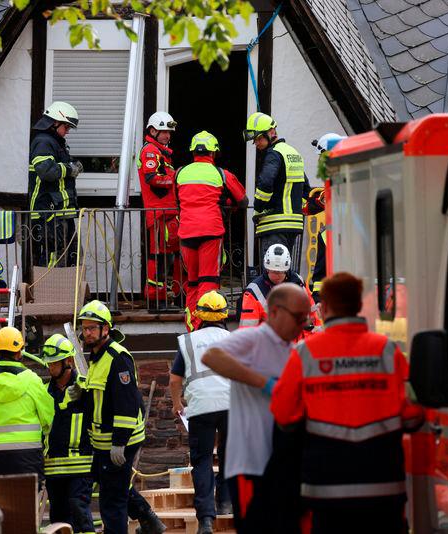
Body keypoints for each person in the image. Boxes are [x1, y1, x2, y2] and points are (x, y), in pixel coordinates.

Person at [270, 272, 422, 533]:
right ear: (358, 306)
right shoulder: (388, 351)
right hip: (383, 488)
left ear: (325, 307)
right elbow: (413, 415)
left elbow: (283, 414)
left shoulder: (305, 354)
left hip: (326, 490)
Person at [201, 284, 312, 534]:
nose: (301, 324)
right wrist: (265, 383)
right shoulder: (254, 339)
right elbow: (211, 357)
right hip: (250, 462)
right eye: (297, 317)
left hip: (281, 463)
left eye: (304, 318)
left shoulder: (294, 353)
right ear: (275, 312)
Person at [77, 301, 166, 534]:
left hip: (119, 441)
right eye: (84, 328)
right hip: (103, 441)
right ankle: (148, 518)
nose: (86, 332)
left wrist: (119, 443)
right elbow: (99, 397)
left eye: (91, 328)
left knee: (111, 499)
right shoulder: (96, 356)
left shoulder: (118, 358)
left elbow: (126, 403)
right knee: (114, 484)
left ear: (106, 329)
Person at [170, 291, 232, 534]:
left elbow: (175, 381)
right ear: (224, 315)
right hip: (230, 405)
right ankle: (225, 503)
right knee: (229, 456)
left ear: (199, 316)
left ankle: (206, 519)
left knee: (202, 460)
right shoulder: (232, 338)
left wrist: (177, 404)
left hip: (200, 408)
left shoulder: (188, 341)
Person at [175, 131, 248, 332]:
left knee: (192, 283)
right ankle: (205, 327)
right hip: (211, 231)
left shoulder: (180, 173)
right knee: (208, 281)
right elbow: (243, 201)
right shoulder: (221, 174)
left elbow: (179, 201)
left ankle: (191, 326)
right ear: (214, 153)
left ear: (193, 152)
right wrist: (226, 202)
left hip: (187, 231)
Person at [0, 326, 55, 477]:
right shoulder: (32, 380)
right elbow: (48, 418)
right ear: (19, 353)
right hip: (28, 456)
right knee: (27, 499)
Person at [42, 334, 96, 534]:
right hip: (54, 468)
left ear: (69, 361)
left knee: (79, 508)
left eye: (54, 363)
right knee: (59, 518)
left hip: (80, 464)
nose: (50, 368)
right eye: (49, 364)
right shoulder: (44, 391)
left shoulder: (84, 386)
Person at [243, 112, 309, 264]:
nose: (256, 144)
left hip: (274, 224)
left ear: (271, 132)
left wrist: (258, 208)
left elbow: (265, 183)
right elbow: (305, 187)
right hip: (293, 225)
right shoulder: (293, 153)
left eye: (258, 138)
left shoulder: (273, 154)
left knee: (272, 275)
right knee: (284, 272)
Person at [29, 101, 83, 267]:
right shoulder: (43, 142)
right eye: (66, 127)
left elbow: (59, 168)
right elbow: (46, 171)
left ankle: (62, 291)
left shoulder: (55, 142)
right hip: (48, 213)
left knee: (69, 256)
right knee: (53, 259)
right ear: (54, 123)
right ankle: (48, 291)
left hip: (59, 213)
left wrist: (73, 164)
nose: (67, 132)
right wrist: (69, 168)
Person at [138, 111, 183, 311]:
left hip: (167, 214)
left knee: (167, 257)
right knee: (158, 259)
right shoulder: (150, 150)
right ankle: (156, 301)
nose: (168, 136)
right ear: (153, 130)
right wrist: (175, 179)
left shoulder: (161, 151)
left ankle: (164, 298)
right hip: (158, 214)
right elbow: (152, 178)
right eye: (164, 132)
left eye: (169, 132)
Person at [239, 244, 320, 334]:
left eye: (280, 272)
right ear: (267, 269)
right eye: (274, 271)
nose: (277, 276)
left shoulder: (297, 281)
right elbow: (247, 330)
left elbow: (311, 309)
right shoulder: (254, 291)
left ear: (286, 270)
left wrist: (319, 331)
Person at [305, 133, 345, 301]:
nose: (320, 161)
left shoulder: (340, 176)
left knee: (326, 269)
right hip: (334, 232)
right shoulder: (339, 174)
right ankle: (320, 298)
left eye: (322, 156)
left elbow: (326, 201)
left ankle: (320, 298)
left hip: (338, 233)